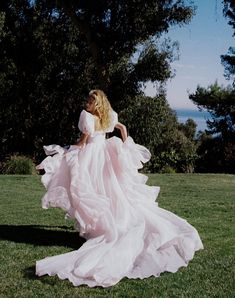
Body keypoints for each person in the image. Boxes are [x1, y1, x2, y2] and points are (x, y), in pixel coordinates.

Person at [35, 89, 203, 287]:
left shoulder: (87, 117)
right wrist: (125, 146)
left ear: (96, 104)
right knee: (107, 191)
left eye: (90, 100)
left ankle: (100, 228)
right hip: (104, 155)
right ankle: (101, 225)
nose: (87, 102)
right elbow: (122, 128)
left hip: (91, 156)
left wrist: (67, 151)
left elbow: (83, 141)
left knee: (89, 190)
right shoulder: (109, 116)